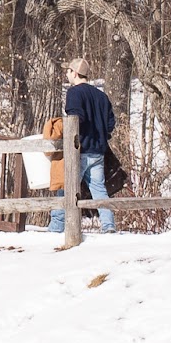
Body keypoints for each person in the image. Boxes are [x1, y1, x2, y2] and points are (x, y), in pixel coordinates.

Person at [48, 56, 116, 234]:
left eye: (68, 71)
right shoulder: (101, 96)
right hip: (98, 152)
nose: (66, 74)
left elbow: (74, 119)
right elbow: (110, 123)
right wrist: (102, 136)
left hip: (80, 150)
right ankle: (108, 226)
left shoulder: (74, 93)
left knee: (66, 190)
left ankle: (56, 228)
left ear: (75, 73)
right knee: (99, 190)